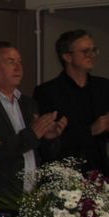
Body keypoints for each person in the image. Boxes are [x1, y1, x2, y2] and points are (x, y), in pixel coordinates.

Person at [0, 41, 66, 199]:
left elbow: (42, 153)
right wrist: (32, 134)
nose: (18, 67)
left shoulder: (28, 103)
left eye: (19, 62)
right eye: (10, 62)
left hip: (32, 196)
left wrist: (48, 138)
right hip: (0, 197)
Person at [34, 29, 109, 175]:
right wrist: (90, 130)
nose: (91, 55)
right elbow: (46, 142)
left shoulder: (103, 87)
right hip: (66, 175)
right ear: (67, 57)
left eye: (94, 50)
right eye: (85, 51)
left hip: (100, 170)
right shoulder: (47, 92)